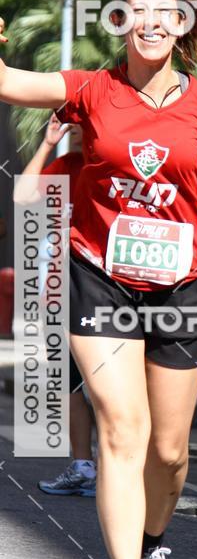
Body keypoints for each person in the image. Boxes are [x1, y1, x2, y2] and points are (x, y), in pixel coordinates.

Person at [1, 0, 197, 559]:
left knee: (168, 453)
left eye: (164, 10)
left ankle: (156, 541)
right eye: (136, 10)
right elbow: (11, 83)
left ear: (182, 21)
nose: (151, 21)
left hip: (185, 286)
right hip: (100, 279)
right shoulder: (92, 91)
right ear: (119, 21)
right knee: (120, 431)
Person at [14, 114, 96, 496]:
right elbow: (22, 197)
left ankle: (125, 475)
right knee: (70, 383)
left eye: (83, 120)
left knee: (110, 386)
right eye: (71, 121)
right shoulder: (65, 166)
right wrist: (47, 143)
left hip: (108, 293)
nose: (75, 126)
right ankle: (83, 466)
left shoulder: (113, 165)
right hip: (62, 293)